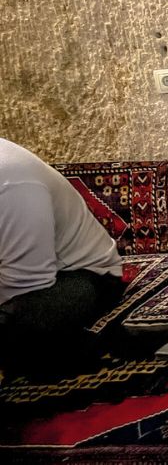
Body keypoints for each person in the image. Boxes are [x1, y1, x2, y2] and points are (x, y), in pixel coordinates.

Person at [0, 138, 124, 378]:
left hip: (80, 275)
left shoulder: (12, 183)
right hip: (20, 277)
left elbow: (27, 283)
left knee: (22, 324)